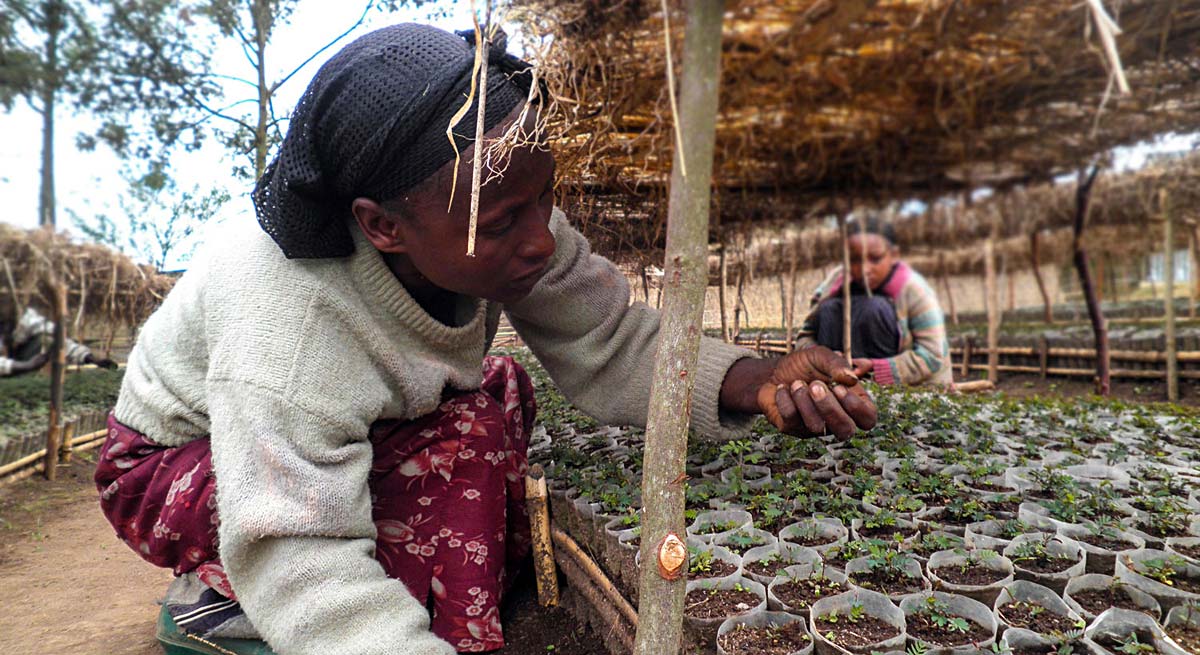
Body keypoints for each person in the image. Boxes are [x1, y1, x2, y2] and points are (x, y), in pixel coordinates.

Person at [93, 24, 877, 655]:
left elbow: (608, 336)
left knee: (502, 393)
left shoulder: (500, 213)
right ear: (382, 225)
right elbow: (298, 547)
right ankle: (226, 607)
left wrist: (760, 379)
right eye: (504, 222)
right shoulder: (292, 323)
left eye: (545, 199)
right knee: (456, 458)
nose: (541, 240)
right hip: (179, 461)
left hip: (304, 432)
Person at [794, 216, 952, 387]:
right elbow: (804, 338)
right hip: (838, 376)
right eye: (854, 260)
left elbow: (933, 355)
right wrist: (823, 357)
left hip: (909, 389)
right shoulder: (832, 284)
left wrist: (875, 368)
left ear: (893, 255)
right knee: (829, 309)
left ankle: (871, 391)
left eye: (875, 258)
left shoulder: (915, 290)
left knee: (874, 309)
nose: (864, 269)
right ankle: (836, 388)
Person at [0, 306, 116, 377]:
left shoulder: (23, 317)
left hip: (14, 362)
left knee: (48, 339)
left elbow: (57, 336)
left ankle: (21, 382)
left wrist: (89, 357)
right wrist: (25, 366)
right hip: (9, 366)